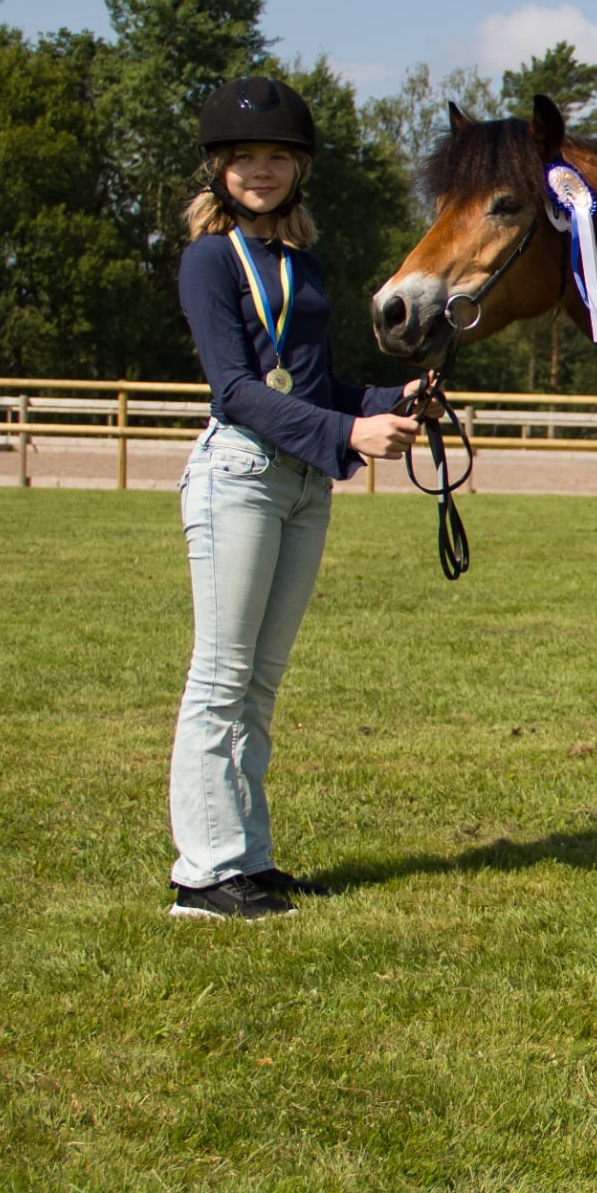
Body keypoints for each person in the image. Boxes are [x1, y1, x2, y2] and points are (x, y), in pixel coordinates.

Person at [167, 76, 425, 921]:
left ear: (299, 167)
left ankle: (249, 858)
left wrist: (392, 398)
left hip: (302, 482)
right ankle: (202, 873)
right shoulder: (211, 258)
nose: (262, 170)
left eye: (277, 156)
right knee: (222, 674)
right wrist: (351, 437)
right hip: (241, 473)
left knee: (261, 681)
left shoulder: (300, 263)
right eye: (245, 158)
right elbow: (237, 389)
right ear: (218, 168)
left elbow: (315, 384)